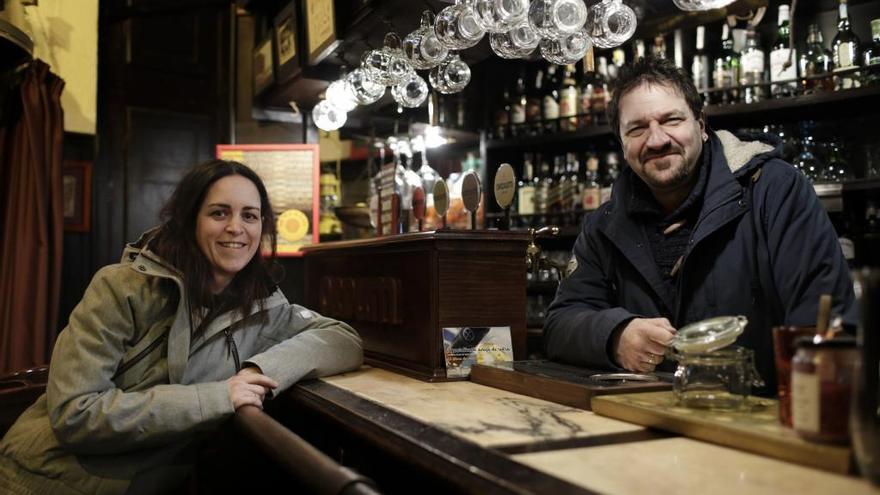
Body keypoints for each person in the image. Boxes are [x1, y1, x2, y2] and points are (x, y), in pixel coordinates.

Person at [0, 159, 363, 494]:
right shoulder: (121, 288)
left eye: (250, 216)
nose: (236, 228)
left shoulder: (263, 308)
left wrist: (257, 370)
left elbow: (344, 340)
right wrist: (220, 396)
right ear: (190, 221)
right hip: (38, 482)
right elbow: (75, 415)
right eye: (219, 213)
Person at [544, 57, 856, 392]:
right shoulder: (603, 225)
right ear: (622, 145)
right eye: (637, 129)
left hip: (758, 425)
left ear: (701, 125)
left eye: (671, 120)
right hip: (647, 422)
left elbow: (826, 322)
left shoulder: (775, 191)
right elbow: (559, 326)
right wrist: (615, 334)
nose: (657, 139)